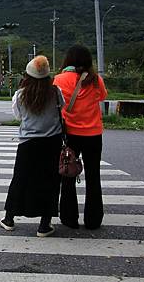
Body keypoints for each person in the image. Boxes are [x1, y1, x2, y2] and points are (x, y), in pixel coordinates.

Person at [0, 55, 65, 237]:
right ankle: (44, 225)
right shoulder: (55, 91)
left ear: (27, 75)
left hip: (28, 143)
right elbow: (63, 108)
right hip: (52, 143)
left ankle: (9, 219)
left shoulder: (21, 94)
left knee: (20, 179)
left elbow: (18, 117)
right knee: (50, 182)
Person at [53, 45, 107, 230]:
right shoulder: (95, 79)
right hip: (93, 134)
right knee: (94, 176)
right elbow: (102, 97)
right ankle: (93, 220)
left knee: (68, 174)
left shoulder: (59, 79)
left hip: (70, 135)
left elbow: (55, 104)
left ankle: (69, 218)